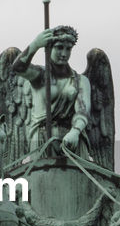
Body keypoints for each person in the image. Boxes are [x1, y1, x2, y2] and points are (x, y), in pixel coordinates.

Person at [11, 26, 92, 156]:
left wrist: (75, 131)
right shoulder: (39, 75)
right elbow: (18, 68)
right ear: (49, 48)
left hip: (71, 141)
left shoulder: (81, 81)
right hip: (42, 139)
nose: (64, 53)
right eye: (59, 47)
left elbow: (83, 110)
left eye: (68, 49)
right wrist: (36, 44)